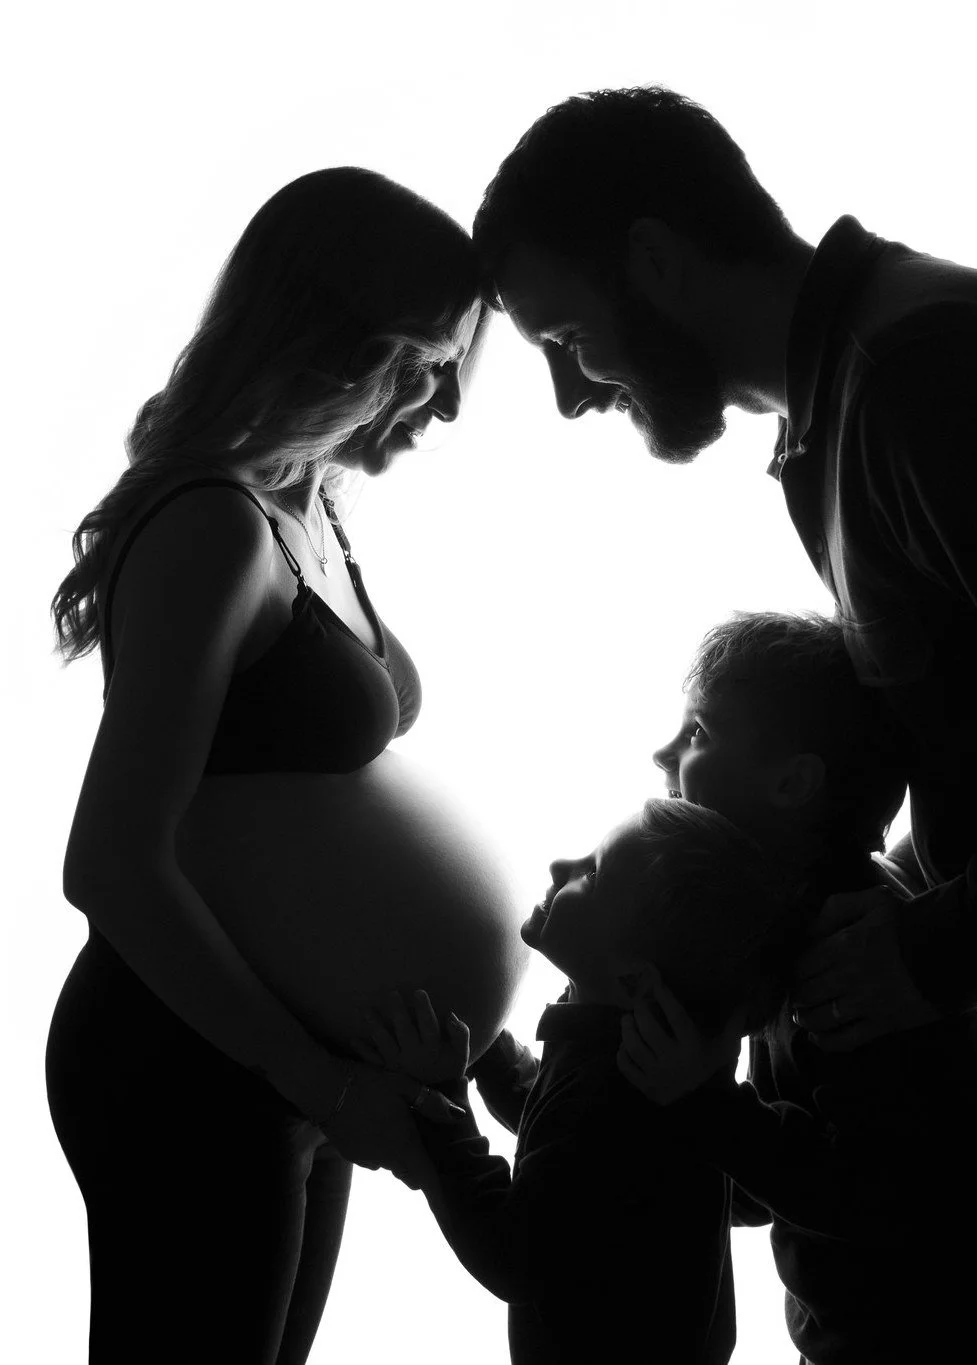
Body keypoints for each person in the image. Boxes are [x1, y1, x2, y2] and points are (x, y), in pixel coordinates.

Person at [472, 86, 977, 1362]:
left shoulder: (928, 373)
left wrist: (928, 949)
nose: (574, 396)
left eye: (570, 338)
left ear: (655, 260)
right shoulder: (844, 417)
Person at [46, 167, 528, 1365]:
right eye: (424, 362)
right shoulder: (211, 525)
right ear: (327, 340)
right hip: (193, 1061)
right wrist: (320, 1080)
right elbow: (111, 865)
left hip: (295, 1070)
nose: (446, 405)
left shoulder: (309, 503)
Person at [621, 611, 977, 1362]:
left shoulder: (851, 966)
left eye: (698, 732)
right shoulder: (793, 931)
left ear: (792, 783)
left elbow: (868, 1194)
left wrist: (708, 1107)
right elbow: (777, 1174)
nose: (662, 753)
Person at [356, 798, 819, 1365]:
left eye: (592, 875)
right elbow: (552, 1132)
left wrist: (442, 1107)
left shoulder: (614, 1096)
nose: (561, 866)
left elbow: (513, 1255)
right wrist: (487, 1049)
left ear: (633, 981)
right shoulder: (629, 1049)